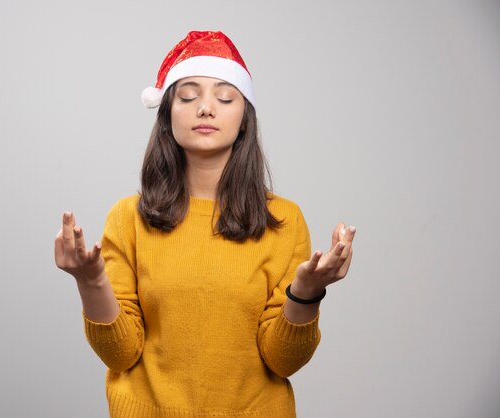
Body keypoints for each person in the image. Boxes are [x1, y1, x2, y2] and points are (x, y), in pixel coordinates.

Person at [54, 31, 356, 418]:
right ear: (167, 116)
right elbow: (121, 353)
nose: (206, 108)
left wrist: (307, 291)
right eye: (188, 96)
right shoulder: (128, 218)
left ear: (244, 119)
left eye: (225, 97)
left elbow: (283, 362)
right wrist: (90, 280)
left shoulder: (284, 220)